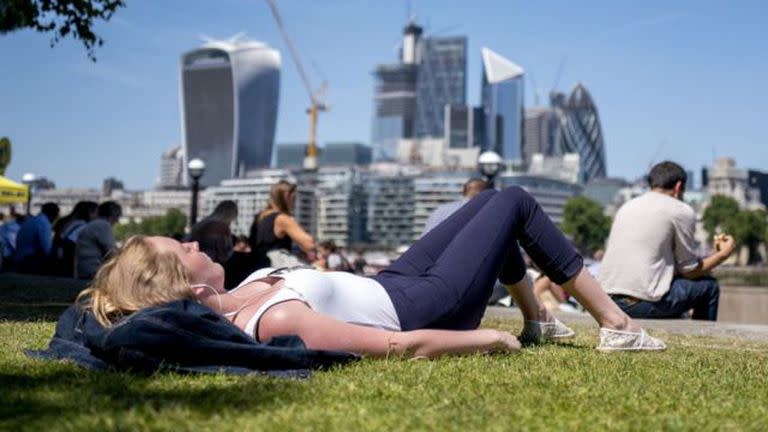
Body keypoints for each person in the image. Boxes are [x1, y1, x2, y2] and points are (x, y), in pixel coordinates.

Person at [77, 187, 665, 358]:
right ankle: (616, 323)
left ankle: (540, 319)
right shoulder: (275, 317)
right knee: (512, 201)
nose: (190, 240)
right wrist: (486, 337)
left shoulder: (244, 290)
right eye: (181, 247)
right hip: (424, 303)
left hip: (395, 279)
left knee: (485, 207)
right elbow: (395, 344)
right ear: (192, 284)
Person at [599, 161, 736, 321]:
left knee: (671, 287)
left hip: (605, 301)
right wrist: (723, 255)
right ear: (678, 187)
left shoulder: (627, 206)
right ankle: (704, 335)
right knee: (709, 286)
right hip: (638, 304)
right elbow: (689, 271)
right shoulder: (680, 210)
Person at [249, 180, 316, 269]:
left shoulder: (259, 217)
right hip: (277, 264)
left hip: (258, 265)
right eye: (294, 199)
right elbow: (309, 244)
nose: (294, 204)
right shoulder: (282, 219)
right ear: (287, 196)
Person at [422, 178, 488, 236]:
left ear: (464, 191)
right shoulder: (482, 213)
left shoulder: (441, 209)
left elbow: (425, 236)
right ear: (481, 193)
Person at [75, 201, 122, 279]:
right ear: (113, 215)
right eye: (117, 216)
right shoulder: (103, 225)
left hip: (86, 269)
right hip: (93, 271)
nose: (117, 221)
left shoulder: (95, 224)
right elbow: (111, 253)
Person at [51, 201, 99, 277]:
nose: (97, 216)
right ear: (90, 213)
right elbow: (71, 242)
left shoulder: (69, 222)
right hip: (67, 262)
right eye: (96, 213)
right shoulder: (82, 226)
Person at [14, 202, 60, 274]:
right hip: (28, 262)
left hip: (20, 259)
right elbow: (46, 249)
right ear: (54, 214)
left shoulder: (33, 220)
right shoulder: (44, 223)